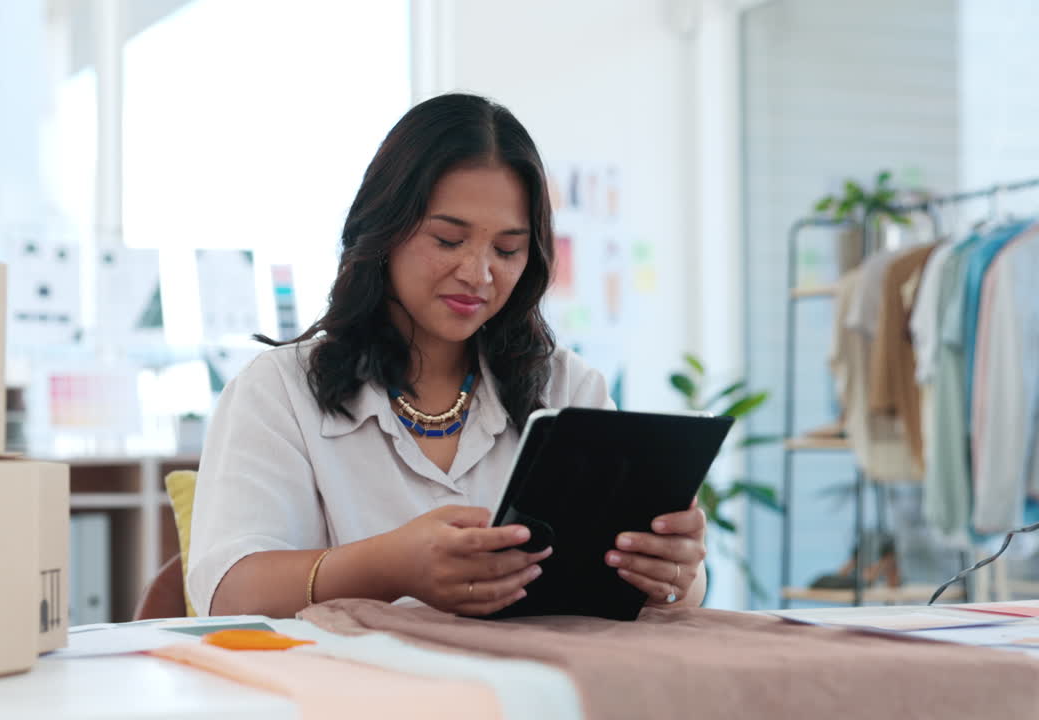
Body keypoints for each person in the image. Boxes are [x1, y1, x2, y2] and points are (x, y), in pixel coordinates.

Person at [187, 92, 707, 619]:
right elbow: (229, 595)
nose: (478, 274)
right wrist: (388, 567)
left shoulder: (569, 390)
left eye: (507, 250)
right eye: (449, 239)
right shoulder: (279, 391)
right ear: (383, 229)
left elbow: (666, 597)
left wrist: (678, 575)